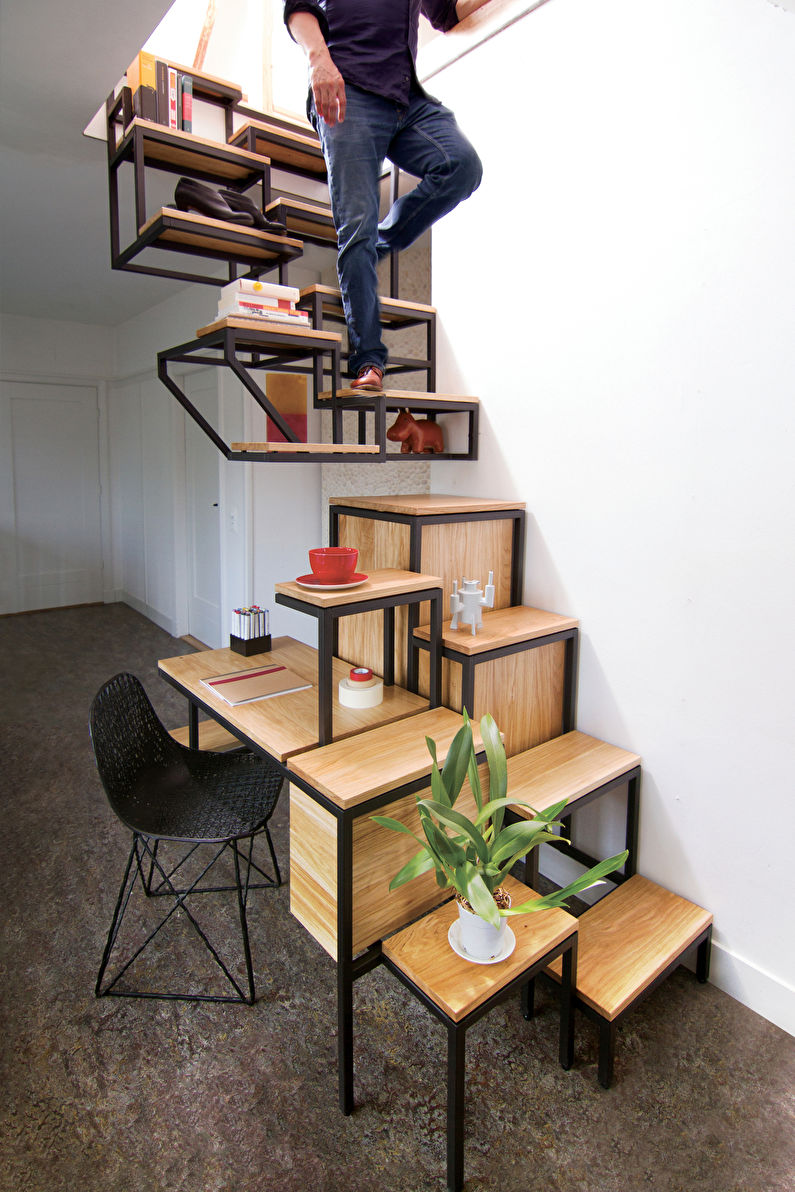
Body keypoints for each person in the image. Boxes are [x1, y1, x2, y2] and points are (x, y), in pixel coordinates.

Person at [284, 0, 490, 390]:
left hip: (406, 99)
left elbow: (446, 14)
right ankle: (368, 360)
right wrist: (318, 60)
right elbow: (297, 5)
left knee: (462, 165)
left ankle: (372, 246)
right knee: (356, 224)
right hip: (348, 90)